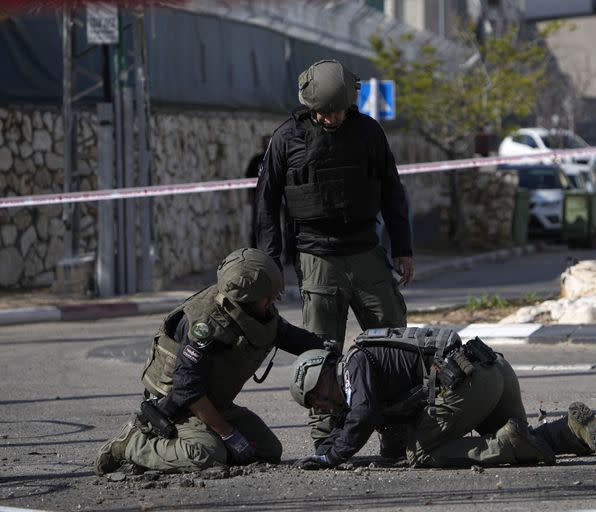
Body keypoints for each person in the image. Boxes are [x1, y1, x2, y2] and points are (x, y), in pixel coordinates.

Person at [95, 248, 326, 476]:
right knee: (207, 455)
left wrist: (330, 351)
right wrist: (227, 434)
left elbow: (289, 336)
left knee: (268, 450)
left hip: (214, 404)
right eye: (269, 297)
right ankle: (131, 444)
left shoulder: (255, 312)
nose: (274, 300)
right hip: (178, 410)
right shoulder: (205, 325)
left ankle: (179, 451)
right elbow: (187, 388)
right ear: (249, 297)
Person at [288, 327, 596, 469]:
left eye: (316, 400)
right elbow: (357, 418)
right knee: (524, 439)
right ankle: (572, 431)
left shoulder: (354, 366)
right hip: (494, 369)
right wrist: (327, 447)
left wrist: (329, 458)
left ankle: (507, 445)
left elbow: (361, 415)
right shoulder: (364, 366)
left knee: (418, 453)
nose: (320, 408)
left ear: (322, 378)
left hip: (469, 382)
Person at [253, 59, 413, 345]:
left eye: (337, 111)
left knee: (394, 341)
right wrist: (271, 262)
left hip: (365, 249)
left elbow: (392, 190)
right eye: (324, 112)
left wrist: (403, 247)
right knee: (321, 350)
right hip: (316, 256)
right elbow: (266, 202)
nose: (331, 118)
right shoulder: (286, 139)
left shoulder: (369, 133)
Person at [247, 135, 273, 248]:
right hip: (258, 198)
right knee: (256, 225)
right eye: (265, 142)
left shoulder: (275, 158)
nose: (266, 145)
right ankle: (254, 250)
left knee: (274, 224)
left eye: (269, 142)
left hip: (273, 196)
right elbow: (248, 179)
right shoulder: (256, 160)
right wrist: (250, 196)